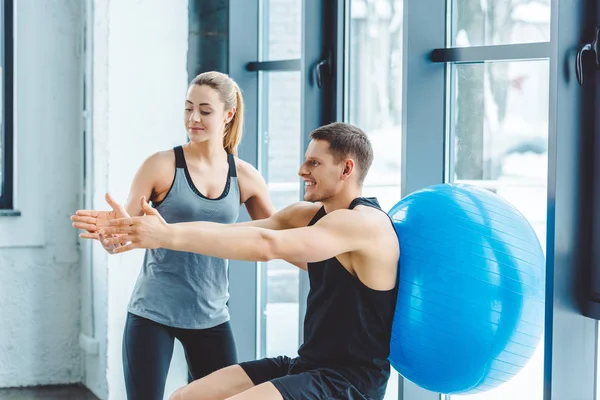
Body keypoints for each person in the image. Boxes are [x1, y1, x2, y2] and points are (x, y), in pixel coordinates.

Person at [97, 122, 400, 400]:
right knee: (184, 397)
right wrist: (156, 230)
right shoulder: (308, 215)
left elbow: (266, 245)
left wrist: (164, 237)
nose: (301, 170)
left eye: (314, 163)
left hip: (350, 382)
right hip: (309, 364)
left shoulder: (363, 224)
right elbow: (234, 233)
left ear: (347, 169)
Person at [71, 71, 276, 400]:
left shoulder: (246, 177)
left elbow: (278, 237)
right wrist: (112, 236)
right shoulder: (161, 165)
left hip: (211, 315)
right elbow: (125, 232)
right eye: (188, 108)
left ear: (228, 114)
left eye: (205, 111)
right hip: (153, 313)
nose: (193, 118)